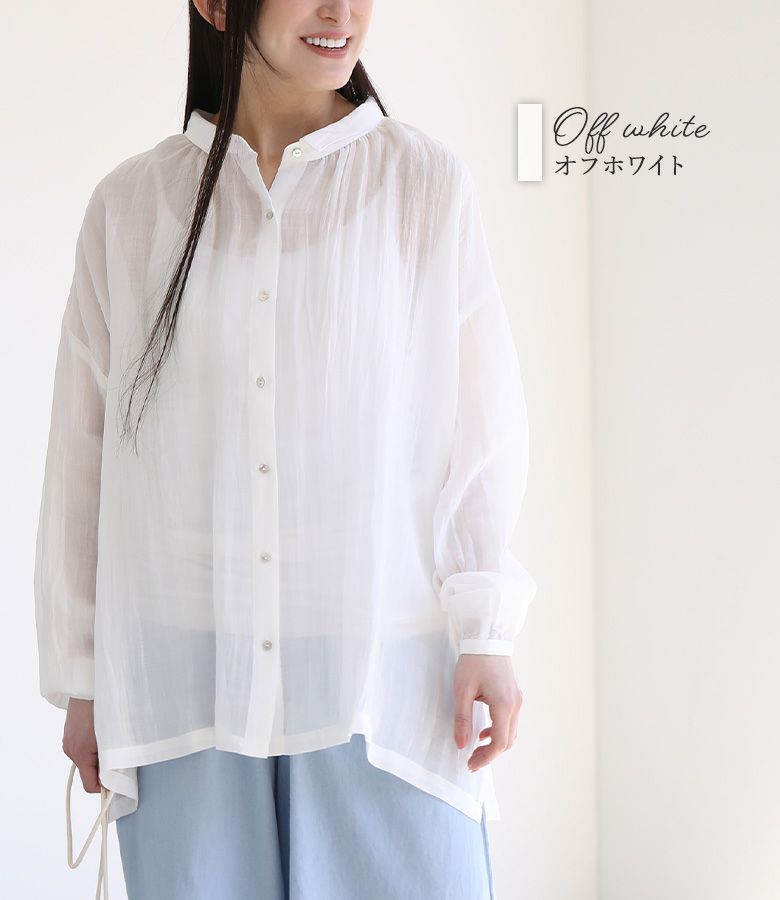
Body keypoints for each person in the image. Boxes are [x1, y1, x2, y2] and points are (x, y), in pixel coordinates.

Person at [34, 1, 537, 898]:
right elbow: (84, 454)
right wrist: (84, 678)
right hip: (186, 682)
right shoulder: (130, 208)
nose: (342, 11)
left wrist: (487, 632)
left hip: (379, 677)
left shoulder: (422, 185)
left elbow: (479, 429)